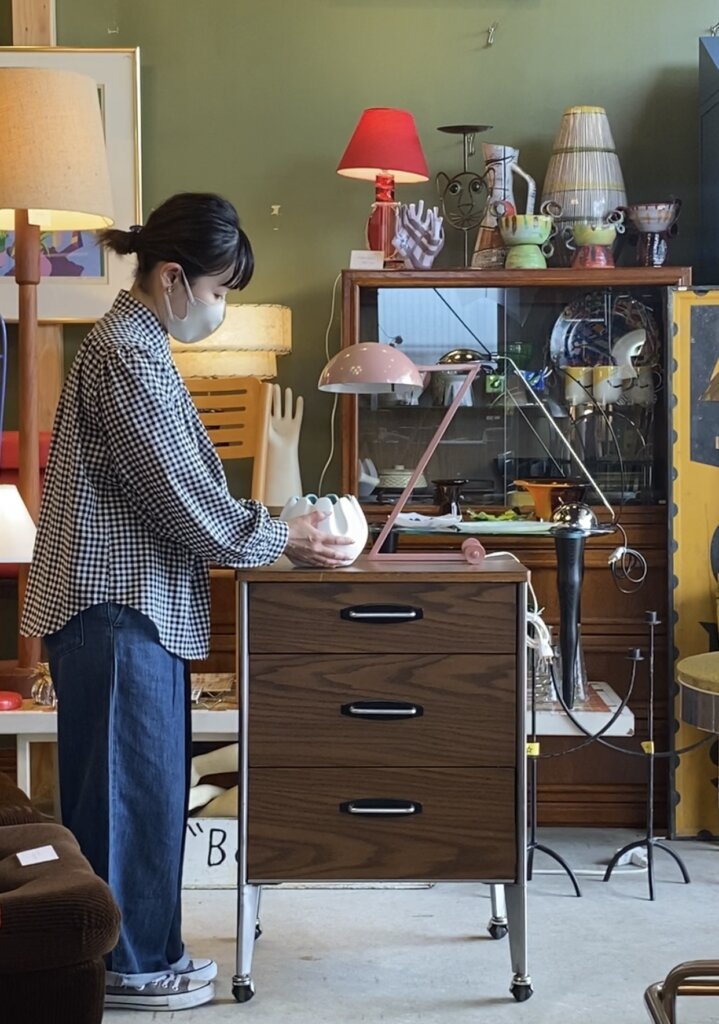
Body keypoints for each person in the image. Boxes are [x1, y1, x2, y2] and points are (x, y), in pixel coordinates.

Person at [21, 192, 353, 1013]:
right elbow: (178, 496)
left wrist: (272, 528)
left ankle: (146, 951)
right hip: (114, 604)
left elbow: (180, 489)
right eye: (216, 290)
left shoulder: (138, 345)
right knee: (127, 796)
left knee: (147, 789)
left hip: (132, 606)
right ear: (172, 277)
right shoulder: (126, 357)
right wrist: (279, 537)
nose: (218, 306)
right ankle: (127, 967)